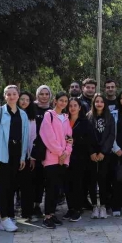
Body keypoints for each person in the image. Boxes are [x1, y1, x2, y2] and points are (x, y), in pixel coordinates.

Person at [0, 85, 29, 233]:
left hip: (16, 154)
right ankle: (4, 217)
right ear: (5, 96)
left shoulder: (23, 114)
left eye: (14, 94)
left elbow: (25, 137)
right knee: (3, 186)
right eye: (8, 94)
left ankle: (8, 215)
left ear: (18, 96)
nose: (11, 96)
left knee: (12, 186)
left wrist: (23, 157)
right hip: (1, 155)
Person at [39, 92, 72, 228]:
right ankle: (47, 216)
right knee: (51, 188)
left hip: (63, 159)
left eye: (65, 101)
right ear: (56, 101)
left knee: (57, 188)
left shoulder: (65, 117)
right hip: (52, 158)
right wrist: (60, 153)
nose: (63, 103)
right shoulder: (49, 115)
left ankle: (52, 214)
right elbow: (48, 137)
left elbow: (69, 138)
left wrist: (66, 153)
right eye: (61, 100)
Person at [65, 97, 97, 222]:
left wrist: (76, 141)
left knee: (78, 184)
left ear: (79, 107)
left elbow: (90, 140)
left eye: (75, 105)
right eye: (70, 105)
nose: (72, 108)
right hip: (65, 157)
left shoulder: (85, 122)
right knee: (67, 184)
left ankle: (77, 209)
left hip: (80, 157)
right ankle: (70, 208)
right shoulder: (64, 120)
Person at [87, 93, 116, 219]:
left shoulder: (110, 117)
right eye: (97, 101)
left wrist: (103, 152)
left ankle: (103, 206)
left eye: (101, 101)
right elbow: (86, 136)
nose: (99, 103)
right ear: (93, 103)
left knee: (103, 180)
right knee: (92, 180)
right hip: (92, 154)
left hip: (105, 154)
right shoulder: (88, 117)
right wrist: (92, 152)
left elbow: (111, 136)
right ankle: (94, 206)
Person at [31, 85, 53, 219]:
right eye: (41, 94)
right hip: (34, 149)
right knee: (35, 179)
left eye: (46, 94)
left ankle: (44, 206)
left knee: (47, 179)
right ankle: (33, 205)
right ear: (37, 95)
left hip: (49, 149)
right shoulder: (32, 109)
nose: (44, 97)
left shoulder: (52, 111)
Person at [18, 91, 38, 222]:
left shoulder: (32, 118)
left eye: (27, 100)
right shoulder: (11, 115)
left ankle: (27, 212)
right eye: (22, 99)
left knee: (27, 185)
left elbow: (32, 138)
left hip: (26, 155)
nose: (24, 102)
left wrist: (32, 157)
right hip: (11, 154)